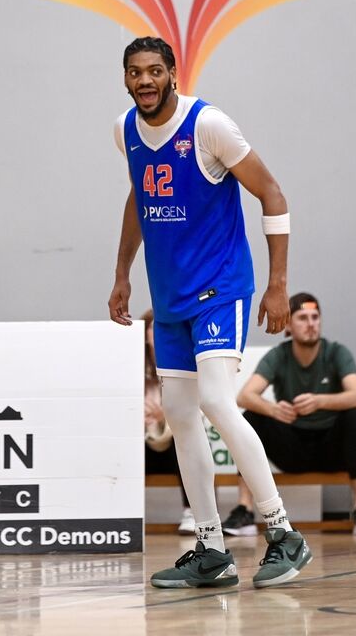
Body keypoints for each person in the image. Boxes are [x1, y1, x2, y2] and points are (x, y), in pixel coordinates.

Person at [109, 36, 311, 589]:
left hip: (221, 287)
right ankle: (211, 548)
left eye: (154, 70)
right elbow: (138, 197)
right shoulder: (126, 129)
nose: (144, 81)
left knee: (219, 401)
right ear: (125, 79)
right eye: (134, 73)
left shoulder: (210, 126)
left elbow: (272, 194)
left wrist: (278, 286)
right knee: (178, 414)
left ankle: (282, 532)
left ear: (173, 73)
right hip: (170, 297)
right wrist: (123, 273)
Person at [224, 292, 356, 537]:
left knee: (353, 416)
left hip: (331, 449)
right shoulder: (280, 355)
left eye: (315, 317)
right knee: (251, 418)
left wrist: (321, 401)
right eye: (303, 318)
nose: (311, 323)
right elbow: (245, 396)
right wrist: (273, 409)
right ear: (288, 325)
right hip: (293, 449)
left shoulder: (336, 352)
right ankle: (245, 509)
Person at [142, 309, 195, 535]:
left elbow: (197, 411)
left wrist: (167, 416)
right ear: (145, 334)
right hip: (143, 446)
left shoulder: (184, 363)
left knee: (189, 439)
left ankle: (192, 511)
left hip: (173, 446)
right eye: (155, 327)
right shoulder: (131, 368)